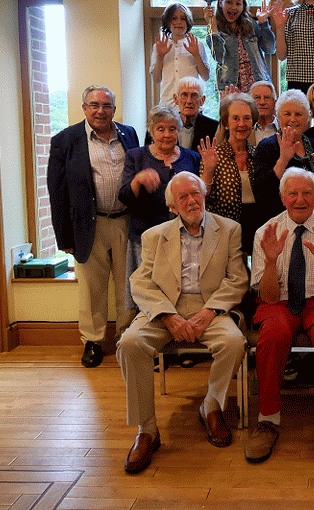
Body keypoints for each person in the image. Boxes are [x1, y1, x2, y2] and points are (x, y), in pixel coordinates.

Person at [117, 171, 248, 473]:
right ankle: (147, 429)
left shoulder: (229, 229)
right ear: (172, 206)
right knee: (130, 343)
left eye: (195, 193)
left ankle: (211, 406)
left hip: (210, 307)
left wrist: (209, 312)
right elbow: (140, 282)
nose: (191, 201)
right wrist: (168, 316)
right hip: (165, 307)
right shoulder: (154, 236)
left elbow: (237, 279)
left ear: (204, 195)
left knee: (234, 342)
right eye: (183, 197)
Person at [246, 168, 314, 472]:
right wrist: (269, 262)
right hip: (279, 302)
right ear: (283, 198)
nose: (300, 199)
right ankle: (268, 420)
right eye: (292, 193)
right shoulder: (266, 232)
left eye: (307, 192)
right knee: (273, 334)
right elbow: (268, 296)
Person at [48, 86, 139, 367]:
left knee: (129, 284)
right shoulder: (65, 140)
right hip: (88, 225)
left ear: (114, 109)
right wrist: (64, 237)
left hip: (125, 221)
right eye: (94, 105)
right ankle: (93, 341)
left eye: (106, 105)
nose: (101, 111)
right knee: (91, 288)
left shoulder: (129, 134)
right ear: (84, 108)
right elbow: (57, 192)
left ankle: (127, 339)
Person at [119, 104, 201, 319]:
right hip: (145, 237)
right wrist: (138, 180)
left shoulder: (192, 157)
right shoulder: (136, 156)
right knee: (148, 293)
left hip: (184, 238)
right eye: (160, 129)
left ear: (178, 130)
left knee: (179, 291)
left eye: (172, 129)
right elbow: (124, 197)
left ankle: (179, 330)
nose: (167, 134)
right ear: (151, 130)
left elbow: (201, 196)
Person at [253, 89, 314, 221]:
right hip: (282, 222)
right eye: (287, 114)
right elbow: (262, 193)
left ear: (307, 118)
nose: (292, 119)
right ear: (278, 116)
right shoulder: (267, 147)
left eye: (298, 114)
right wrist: (283, 161)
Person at [198, 93, 260, 254]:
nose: (242, 124)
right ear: (226, 123)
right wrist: (209, 170)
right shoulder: (214, 155)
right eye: (236, 118)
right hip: (224, 229)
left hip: (256, 227)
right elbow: (202, 196)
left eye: (247, 118)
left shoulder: (259, 154)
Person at [204, 0, 275, 92]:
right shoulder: (215, 28)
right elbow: (219, 57)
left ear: (243, 7)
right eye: (229, 2)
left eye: (238, 4)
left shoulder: (251, 25)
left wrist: (263, 22)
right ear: (220, 3)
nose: (233, 7)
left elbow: (270, 48)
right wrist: (213, 28)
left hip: (257, 83)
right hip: (230, 87)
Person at [151, 3, 210, 106]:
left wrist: (196, 54)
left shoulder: (197, 45)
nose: (179, 22)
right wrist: (160, 57)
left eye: (183, 18)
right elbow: (156, 79)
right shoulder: (159, 46)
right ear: (168, 22)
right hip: (167, 105)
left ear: (188, 22)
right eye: (174, 18)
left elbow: (205, 76)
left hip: (191, 105)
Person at [174, 76, 219, 152]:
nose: (189, 101)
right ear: (176, 99)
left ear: (202, 100)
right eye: (184, 95)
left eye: (194, 95)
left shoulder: (214, 128)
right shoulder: (166, 126)